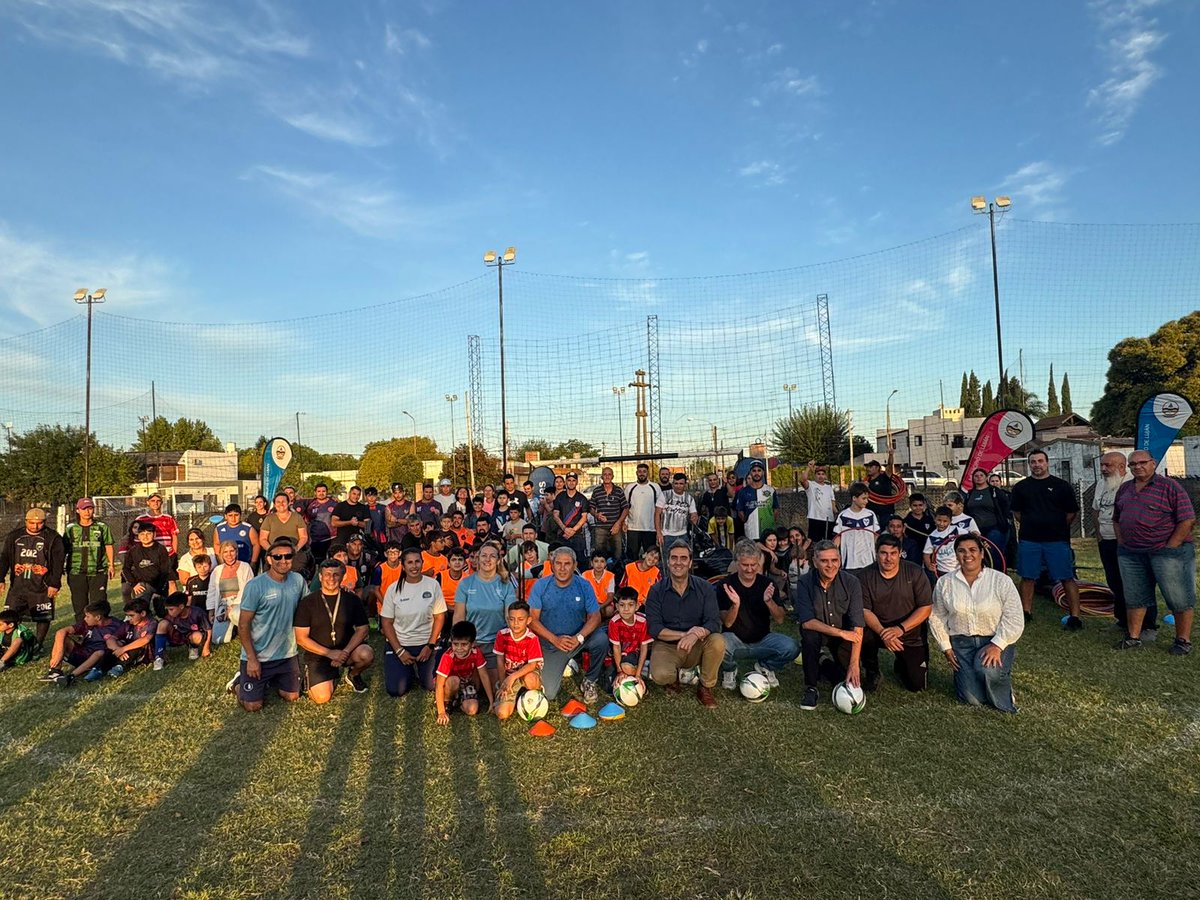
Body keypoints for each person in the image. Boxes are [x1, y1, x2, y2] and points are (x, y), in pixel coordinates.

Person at [929, 533, 1024, 712]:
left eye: (973, 550)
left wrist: (998, 645)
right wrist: (945, 646)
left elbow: (1014, 617)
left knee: (987, 670)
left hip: (993, 641)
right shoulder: (945, 582)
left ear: (982, 553)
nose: (967, 555)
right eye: (961, 551)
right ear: (956, 555)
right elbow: (937, 616)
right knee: (972, 699)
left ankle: (1002, 689)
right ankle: (977, 681)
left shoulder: (1001, 580)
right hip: (961, 643)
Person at [1113, 450, 1196, 654]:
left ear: (1153, 463)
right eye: (1133, 464)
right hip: (1132, 553)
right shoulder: (1124, 489)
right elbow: (1116, 518)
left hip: (1166, 553)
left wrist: (1171, 546)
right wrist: (1122, 541)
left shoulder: (1170, 486)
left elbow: (1187, 519)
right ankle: (1133, 637)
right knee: (1134, 596)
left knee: (1178, 597)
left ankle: (1183, 641)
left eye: (1142, 462)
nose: (1138, 467)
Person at [644, 542, 726, 707]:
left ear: (690, 562)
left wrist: (696, 635)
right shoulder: (656, 590)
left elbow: (714, 621)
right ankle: (674, 678)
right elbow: (654, 628)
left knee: (718, 641)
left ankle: (705, 687)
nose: (678, 562)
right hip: (667, 644)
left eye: (683, 558)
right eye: (674, 558)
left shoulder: (705, 587)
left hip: (698, 644)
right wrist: (685, 635)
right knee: (660, 675)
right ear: (667, 562)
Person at [1010, 449, 1081, 628]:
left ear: (1047, 463)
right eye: (1033, 462)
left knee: (1066, 577)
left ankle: (1075, 616)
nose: (1037, 465)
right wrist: (1033, 524)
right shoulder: (1021, 487)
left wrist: (1055, 525)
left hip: (1056, 540)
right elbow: (1017, 513)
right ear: (1029, 465)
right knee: (1028, 577)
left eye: (1040, 461)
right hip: (1029, 540)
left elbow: (1071, 513)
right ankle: (1026, 612)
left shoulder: (1062, 486)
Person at [234, 538, 307, 711]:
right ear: (268, 559)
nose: (283, 561)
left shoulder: (298, 580)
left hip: (286, 655)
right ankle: (238, 682)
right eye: (277, 557)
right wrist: (252, 659)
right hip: (259, 656)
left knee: (292, 696)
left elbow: (307, 608)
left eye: (288, 556)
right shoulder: (255, 586)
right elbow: (243, 625)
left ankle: (271, 679)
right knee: (253, 706)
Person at [528, 547, 607, 703]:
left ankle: (590, 680)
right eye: (558, 563)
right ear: (551, 564)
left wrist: (579, 637)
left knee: (601, 639)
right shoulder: (541, 586)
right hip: (552, 644)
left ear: (575, 565)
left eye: (567, 564)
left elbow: (595, 616)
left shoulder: (584, 585)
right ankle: (560, 664)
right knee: (549, 694)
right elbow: (532, 620)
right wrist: (554, 640)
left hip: (577, 639)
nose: (562, 568)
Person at [717, 540, 799, 691]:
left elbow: (780, 619)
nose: (749, 569)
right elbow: (727, 623)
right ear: (736, 563)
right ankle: (729, 670)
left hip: (763, 639)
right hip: (735, 640)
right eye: (745, 565)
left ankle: (765, 666)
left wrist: (769, 602)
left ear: (759, 562)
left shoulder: (767, 584)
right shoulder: (725, 585)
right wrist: (735, 605)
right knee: (719, 644)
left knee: (792, 647)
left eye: (753, 565)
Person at [855, 533, 932, 692]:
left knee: (917, 686)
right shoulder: (864, 575)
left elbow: (926, 607)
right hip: (878, 630)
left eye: (893, 553)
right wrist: (883, 632)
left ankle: (902, 663)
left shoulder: (915, 572)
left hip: (909, 632)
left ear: (900, 553)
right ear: (876, 554)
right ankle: (872, 669)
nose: (888, 558)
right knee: (861, 631)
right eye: (883, 553)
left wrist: (900, 629)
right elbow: (864, 610)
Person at [794, 540, 863, 711]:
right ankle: (811, 687)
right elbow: (807, 622)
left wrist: (854, 664)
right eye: (824, 561)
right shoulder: (804, 582)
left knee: (843, 678)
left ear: (840, 561)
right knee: (809, 637)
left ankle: (823, 662)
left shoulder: (852, 582)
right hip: (819, 631)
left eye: (834, 560)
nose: (830, 565)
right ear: (814, 562)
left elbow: (858, 625)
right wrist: (839, 633)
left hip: (844, 634)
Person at [295, 558, 374, 702]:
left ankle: (353, 675)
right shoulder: (308, 602)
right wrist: (330, 653)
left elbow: (363, 629)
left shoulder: (352, 599)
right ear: (320, 577)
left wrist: (345, 652)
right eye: (327, 574)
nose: (331, 578)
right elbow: (301, 638)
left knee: (366, 653)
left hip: (346, 652)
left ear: (342, 577)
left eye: (336, 574)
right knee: (321, 698)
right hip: (319, 655)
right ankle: (312, 677)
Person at [380, 547, 447, 696]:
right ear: (403, 566)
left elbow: (439, 617)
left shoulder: (433, 585)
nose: (414, 566)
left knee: (432, 685)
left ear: (422, 563)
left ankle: (421, 670)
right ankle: (406, 669)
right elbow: (386, 623)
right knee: (396, 690)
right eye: (409, 562)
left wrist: (430, 645)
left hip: (426, 643)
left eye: (417, 561)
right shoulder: (393, 589)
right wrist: (399, 650)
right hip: (401, 644)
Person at [1094, 451, 1146, 640]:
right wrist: (1099, 535)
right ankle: (1122, 620)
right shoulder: (1101, 484)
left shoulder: (1132, 483)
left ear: (1122, 467)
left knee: (1135, 583)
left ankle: (1147, 624)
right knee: (1114, 581)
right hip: (1106, 541)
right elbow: (1095, 510)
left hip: (1127, 542)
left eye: (1108, 465)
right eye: (1102, 465)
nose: (1103, 469)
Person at [0, 507, 65, 654]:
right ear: (25, 521)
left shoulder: (52, 537)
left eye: (39, 523)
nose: (35, 526)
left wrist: (54, 583)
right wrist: (1, 577)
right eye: (31, 523)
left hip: (42, 586)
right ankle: (9, 644)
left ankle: (38, 644)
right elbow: (4, 557)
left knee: (43, 617)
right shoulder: (14, 536)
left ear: (45, 522)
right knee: (10, 615)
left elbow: (58, 562)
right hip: (18, 586)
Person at [453, 543, 513, 669]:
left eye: (492, 556)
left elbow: (510, 616)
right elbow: (459, 616)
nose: (487, 559)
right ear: (477, 559)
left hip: (496, 644)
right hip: (472, 643)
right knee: (471, 685)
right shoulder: (466, 583)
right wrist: (461, 642)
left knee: (494, 686)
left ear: (498, 560)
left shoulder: (506, 584)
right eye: (484, 555)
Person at [38, 600, 124, 686]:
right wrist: (60, 652)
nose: (85, 618)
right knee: (63, 638)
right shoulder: (86, 624)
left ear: (98, 617)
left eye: (87, 616)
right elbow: (61, 632)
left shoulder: (117, 625)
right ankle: (55, 671)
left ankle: (81, 672)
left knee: (100, 652)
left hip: (99, 659)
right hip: (82, 655)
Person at [62, 498, 115, 623]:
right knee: (79, 603)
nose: (87, 512)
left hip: (98, 571)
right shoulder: (71, 528)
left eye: (90, 508)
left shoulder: (102, 527)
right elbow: (64, 549)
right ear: (78, 510)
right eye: (84, 509)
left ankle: (100, 630)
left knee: (99, 603)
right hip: (76, 572)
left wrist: (111, 565)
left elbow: (108, 545)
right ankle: (82, 629)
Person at [435, 620, 495, 725]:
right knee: (454, 680)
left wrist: (491, 701)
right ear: (451, 642)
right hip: (451, 683)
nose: (459, 648)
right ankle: (447, 701)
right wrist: (441, 712)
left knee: (472, 710)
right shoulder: (448, 657)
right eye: (455, 644)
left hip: (467, 682)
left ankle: (460, 699)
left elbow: (484, 676)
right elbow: (439, 685)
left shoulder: (476, 653)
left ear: (472, 644)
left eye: (463, 644)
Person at [492, 600, 545, 720]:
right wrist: (503, 683)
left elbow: (532, 665)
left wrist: (512, 677)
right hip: (509, 676)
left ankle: (535, 695)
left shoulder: (532, 638)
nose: (516, 623)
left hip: (526, 673)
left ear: (528, 620)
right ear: (507, 619)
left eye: (521, 619)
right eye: (512, 619)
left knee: (530, 679)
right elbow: (499, 661)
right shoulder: (502, 635)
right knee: (502, 714)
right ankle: (513, 697)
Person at [122, 521, 175, 616]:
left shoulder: (161, 549)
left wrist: (160, 589)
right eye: (142, 534)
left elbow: (165, 571)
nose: (145, 537)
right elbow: (125, 569)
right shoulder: (133, 551)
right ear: (138, 536)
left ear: (154, 534)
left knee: (162, 613)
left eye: (148, 533)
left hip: (159, 584)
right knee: (141, 611)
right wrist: (134, 584)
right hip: (142, 585)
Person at [207, 540, 253, 644]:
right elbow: (212, 591)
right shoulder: (217, 570)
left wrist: (235, 605)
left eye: (232, 551)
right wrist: (211, 611)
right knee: (218, 640)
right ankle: (234, 628)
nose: (229, 555)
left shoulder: (245, 567)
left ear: (236, 552)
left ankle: (244, 629)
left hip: (241, 603)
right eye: (225, 552)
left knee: (236, 614)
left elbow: (248, 589)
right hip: (223, 604)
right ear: (221, 554)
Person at [964, 468, 1011, 567]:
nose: (979, 477)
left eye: (981, 475)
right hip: (976, 530)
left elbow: (1006, 506)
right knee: (977, 555)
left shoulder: (994, 491)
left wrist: (1006, 521)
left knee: (994, 555)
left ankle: (999, 577)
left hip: (994, 528)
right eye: (976, 476)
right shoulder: (970, 494)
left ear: (986, 477)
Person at [152, 592, 210, 669]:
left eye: (171, 609)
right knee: (162, 624)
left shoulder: (197, 612)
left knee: (197, 636)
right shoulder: (170, 616)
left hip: (191, 636)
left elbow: (208, 629)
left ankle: (193, 647)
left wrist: (206, 647)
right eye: (168, 609)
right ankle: (159, 657)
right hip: (177, 636)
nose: (169, 612)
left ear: (181, 606)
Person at [608, 586, 651, 684]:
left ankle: (641, 670)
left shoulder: (643, 622)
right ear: (617, 607)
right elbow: (616, 647)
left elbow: (644, 648)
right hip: (619, 654)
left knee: (627, 667)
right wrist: (619, 671)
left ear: (637, 606)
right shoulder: (614, 622)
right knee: (610, 684)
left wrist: (638, 675)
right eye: (622, 605)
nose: (626, 609)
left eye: (630, 605)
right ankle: (643, 669)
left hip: (634, 653)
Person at [104, 598, 158, 676]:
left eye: (131, 615)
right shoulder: (127, 624)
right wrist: (118, 649)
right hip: (126, 652)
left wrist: (123, 649)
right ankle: (98, 669)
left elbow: (146, 639)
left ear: (142, 613)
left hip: (145, 653)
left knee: (139, 645)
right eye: (127, 615)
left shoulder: (152, 623)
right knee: (115, 644)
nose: (129, 618)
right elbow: (111, 639)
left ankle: (120, 666)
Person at [259, 493, 309, 574]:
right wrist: (271, 550)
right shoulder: (269, 519)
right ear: (274, 504)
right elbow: (262, 539)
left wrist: (296, 549)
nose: (281, 504)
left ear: (289, 503)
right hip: (275, 556)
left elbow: (303, 537)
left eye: (283, 501)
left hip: (293, 556)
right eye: (278, 502)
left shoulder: (297, 517)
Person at [833, 484, 879, 569]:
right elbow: (837, 538)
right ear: (854, 498)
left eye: (867, 498)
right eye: (864, 498)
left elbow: (876, 535)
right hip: (849, 563)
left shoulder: (870, 514)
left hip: (868, 562)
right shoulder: (843, 515)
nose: (866, 501)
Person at [624, 463, 664, 563]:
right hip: (633, 528)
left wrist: (659, 528)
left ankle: (649, 577)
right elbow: (625, 506)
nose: (642, 474)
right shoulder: (630, 487)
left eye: (644, 472)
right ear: (636, 473)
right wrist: (625, 522)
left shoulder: (655, 487)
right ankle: (632, 577)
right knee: (631, 558)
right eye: (640, 472)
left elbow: (660, 508)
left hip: (650, 528)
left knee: (650, 558)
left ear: (648, 473)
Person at [590, 467, 629, 562]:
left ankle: (617, 575)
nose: (607, 476)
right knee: (599, 556)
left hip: (615, 528)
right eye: (605, 474)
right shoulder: (596, 491)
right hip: (600, 528)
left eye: (609, 474)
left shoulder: (619, 491)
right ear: (602, 477)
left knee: (618, 555)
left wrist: (618, 523)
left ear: (613, 476)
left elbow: (626, 508)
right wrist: (597, 515)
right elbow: (591, 508)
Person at [735, 461, 778, 543]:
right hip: (751, 532)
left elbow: (776, 509)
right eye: (754, 470)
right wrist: (747, 521)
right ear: (750, 472)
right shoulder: (743, 492)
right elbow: (740, 510)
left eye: (759, 470)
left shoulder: (771, 490)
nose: (756, 473)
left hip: (768, 532)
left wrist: (770, 520)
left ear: (763, 472)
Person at [552, 472, 591, 563]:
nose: (571, 482)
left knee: (579, 562)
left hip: (577, 535)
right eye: (569, 480)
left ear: (577, 482)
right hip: (562, 534)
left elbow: (584, 517)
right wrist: (565, 529)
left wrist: (573, 531)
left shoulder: (582, 498)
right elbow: (555, 515)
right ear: (566, 482)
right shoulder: (560, 497)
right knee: (562, 561)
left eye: (573, 480)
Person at [657, 473, 698, 552]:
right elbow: (657, 514)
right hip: (666, 534)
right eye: (676, 483)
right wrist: (659, 533)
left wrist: (694, 518)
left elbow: (694, 514)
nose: (678, 486)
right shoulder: (664, 495)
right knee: (666, 560)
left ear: (685, 485)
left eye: (681, 484)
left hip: (683, 534)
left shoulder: (689, 498)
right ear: (672, 484)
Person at [799, 461, 838, 542]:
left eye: (823, 474)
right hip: (815, 518)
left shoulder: (829, 488)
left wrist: (837, 514)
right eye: (818, 474)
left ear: (825, 476)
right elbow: (803, 480)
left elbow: (833, 506)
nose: (821, 476)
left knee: (828, 542)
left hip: (828, 520)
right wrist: (808, 468)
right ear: (815, 475)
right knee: (815, 542)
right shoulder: (811, 485)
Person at [137, 493, 179, 567]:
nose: (155, 503)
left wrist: (174, 553)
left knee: (169, 577)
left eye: (158, 501)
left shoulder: (168, 518)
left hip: (167, 553)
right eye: (153, 500)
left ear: (161, 503)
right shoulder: (141, 519)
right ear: (148, 502)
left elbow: (174, 536)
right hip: (149, 553)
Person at [304, 483, 337, 564]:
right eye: (319, 491)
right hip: (315, 539)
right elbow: (307, 521)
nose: (321, 493)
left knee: (330, 563)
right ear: (315, 492)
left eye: (323, 491)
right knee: (316, 563)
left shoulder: (334, 504)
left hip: (331, 538)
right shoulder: (310, 505)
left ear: (327, 492)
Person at [901, 494, 935, 570]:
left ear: (924, 505)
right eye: (915, 505)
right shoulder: (906, 522)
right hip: (914, 553)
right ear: (910, 506)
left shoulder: (930, 519)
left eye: (920, 505)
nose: (918, 508)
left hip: (928, 552)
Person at [924, 506, 960, 578]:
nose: (941, 524)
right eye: (939, 520)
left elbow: (971, 538)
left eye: (945, 521)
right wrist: (929, 566)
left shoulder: (957, 530)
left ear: (950, 521)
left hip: (958, 568)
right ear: (935, 519)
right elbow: (926, 554)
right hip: (942, 571)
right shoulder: (932, 536)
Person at [582, 549, 616, 617]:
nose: (599, 564)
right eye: (596, 561)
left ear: (606, 563)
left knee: (609, 611)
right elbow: (583, 594)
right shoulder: (585, 575)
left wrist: (600, 606)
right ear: (591, 563)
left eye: (602, 561)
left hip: (605, 604)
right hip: (590, 603)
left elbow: (610, 597)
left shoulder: (610, 576)